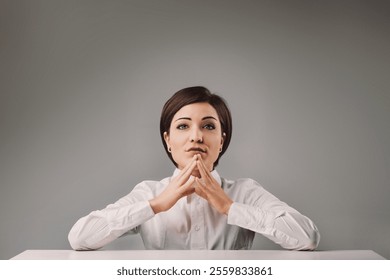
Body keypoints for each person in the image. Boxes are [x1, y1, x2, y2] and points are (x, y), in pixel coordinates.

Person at [68, 86, 320, 250]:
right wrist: (156, 205)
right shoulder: (150, 192)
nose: (196, 137)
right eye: (183, 126)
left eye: (209, 126)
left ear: (221, 141)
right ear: (168, 140)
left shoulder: (245, 192)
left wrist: (229, 207)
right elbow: (80, 237)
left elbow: (306, 237)